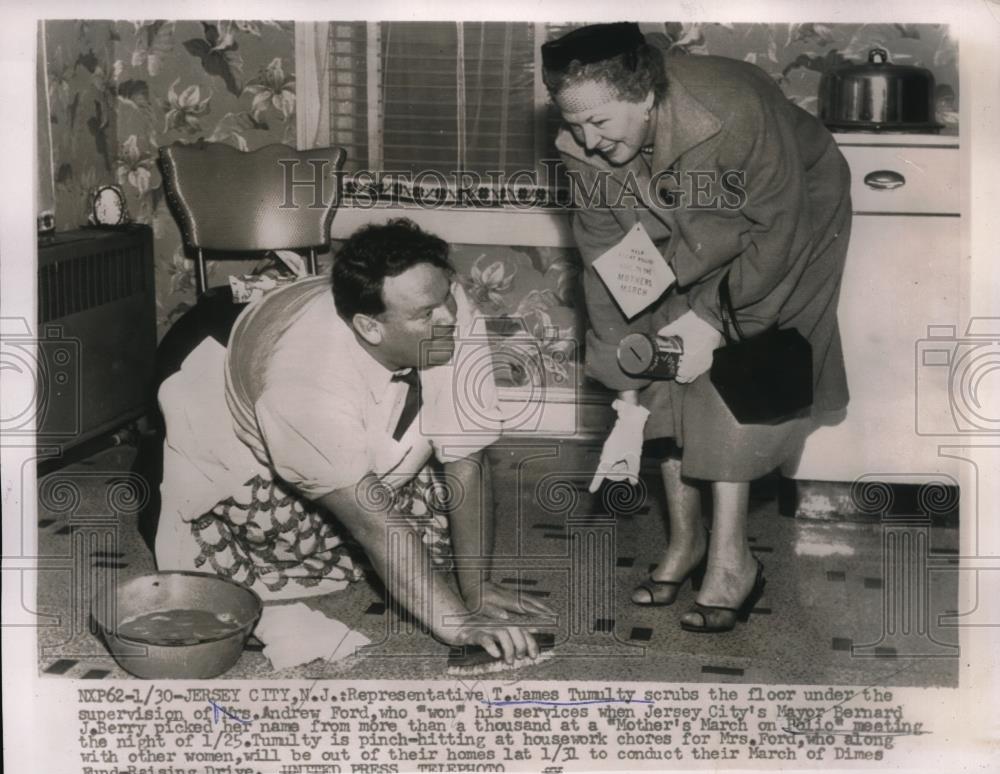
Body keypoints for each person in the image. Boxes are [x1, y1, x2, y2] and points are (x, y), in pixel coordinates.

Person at [541, 23, 851, 632]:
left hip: (794, 220)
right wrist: (625, 386)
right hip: (685, 223)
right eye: (573, 125)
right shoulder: (585, 146)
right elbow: (608, 258)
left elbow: (777, 232)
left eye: (601, 123)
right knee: (656, 357)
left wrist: (712, 319)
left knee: (730, 366)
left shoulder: (732, 107)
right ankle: (686, 543)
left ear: (647, 91)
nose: (587, 141)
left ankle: (733, 561)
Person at [156, 219, 549, 664]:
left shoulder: (442, 305)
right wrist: (456, 622)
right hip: (211, 350)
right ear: (370, 327)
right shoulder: (302, 383)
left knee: (435, 538)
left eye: (447, 297)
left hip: (308, 328)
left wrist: (477, 589)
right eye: (427, 314)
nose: (449, 319)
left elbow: (467, 459)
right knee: (241, 556)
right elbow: (372, 523)